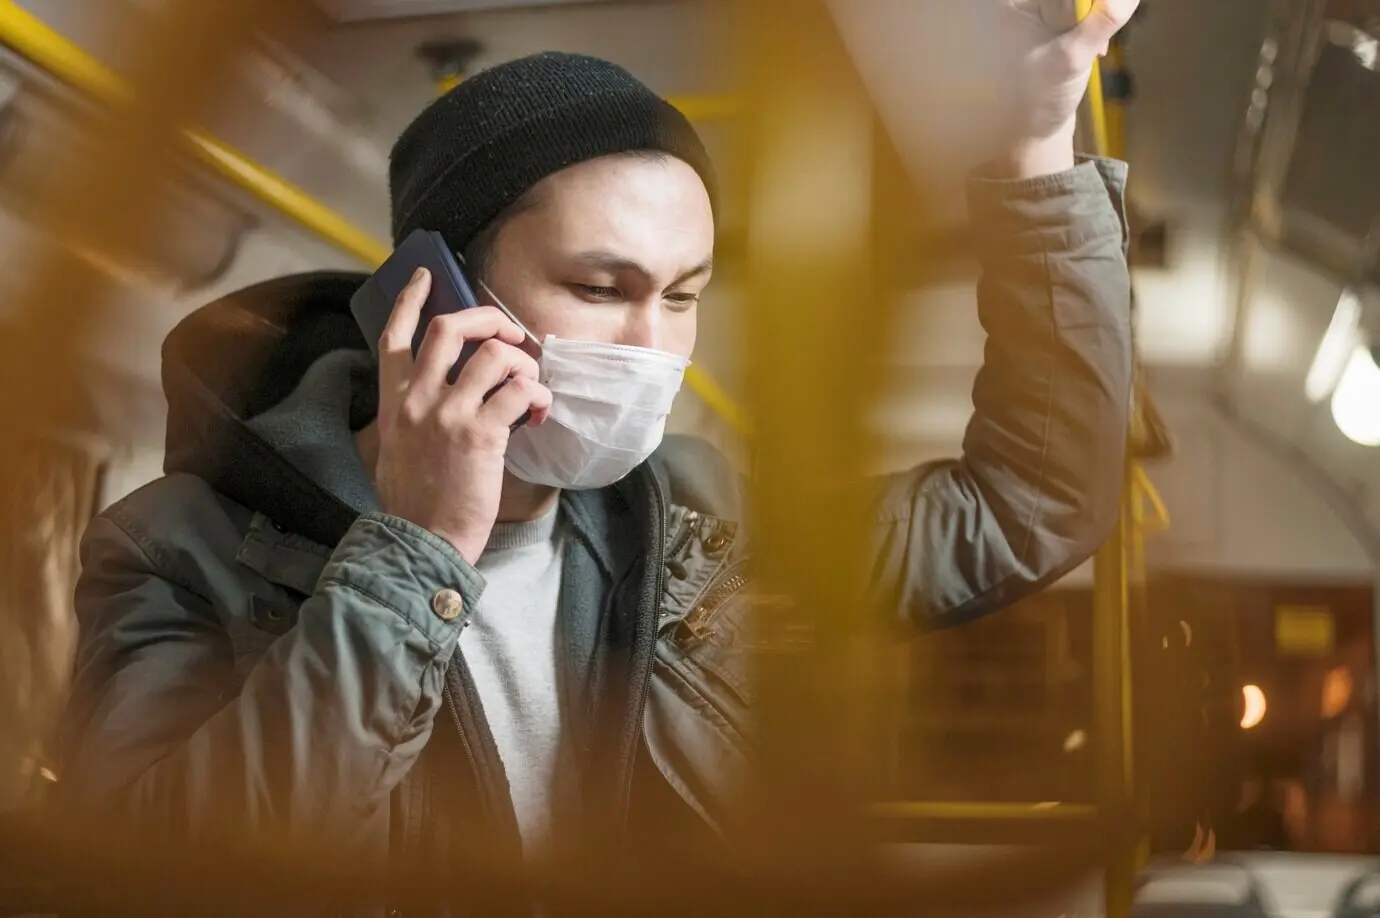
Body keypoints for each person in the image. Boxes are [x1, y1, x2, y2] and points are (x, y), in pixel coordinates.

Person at [58, 1, 1137, 912]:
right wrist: (413, 549)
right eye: (600, 288)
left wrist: (1036, 142)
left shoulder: (705, 526)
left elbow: (1031, 499)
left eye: (684, 296)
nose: (652, 352)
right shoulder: (177, 553)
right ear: (433, 294)